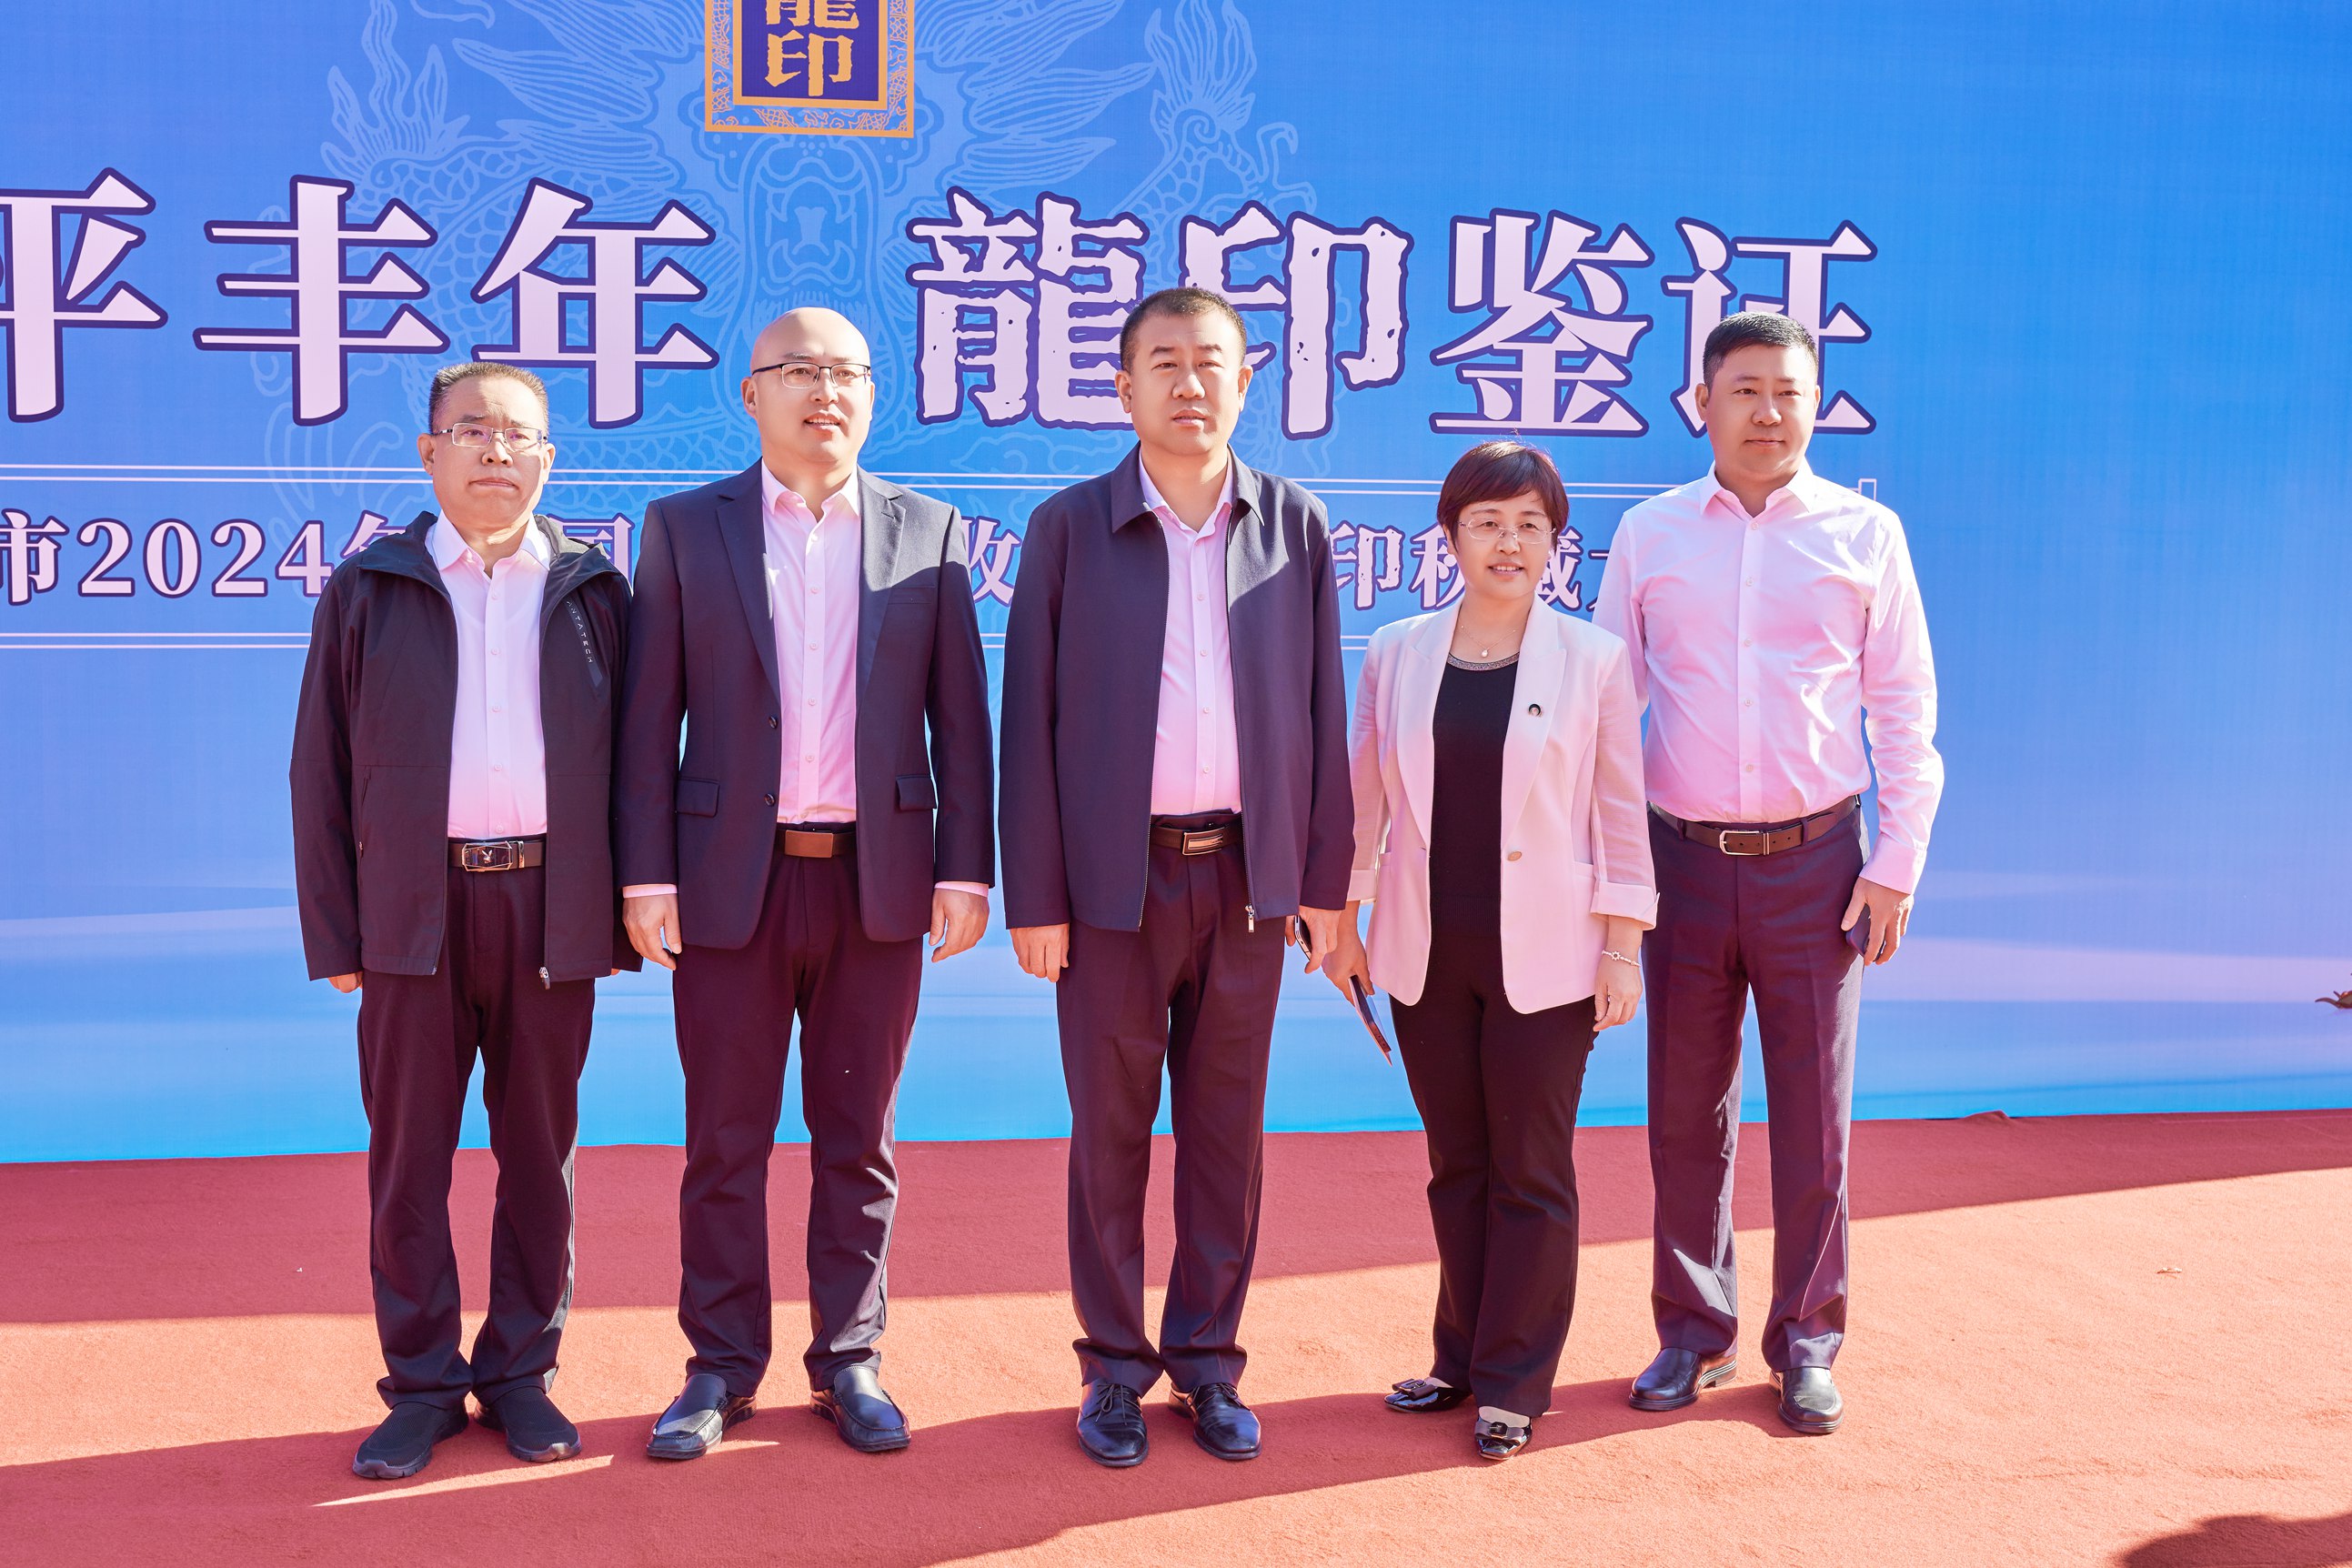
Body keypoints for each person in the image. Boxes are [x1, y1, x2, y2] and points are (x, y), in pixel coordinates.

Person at [616, 308, 993, 1459]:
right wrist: (645, 874)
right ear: (752, 394)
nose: (823, 391)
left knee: (859, 1137)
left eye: (845, 374)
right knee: (723, 1138)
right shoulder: (686, 528)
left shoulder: (928, 530)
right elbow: (648, 717)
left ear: (872, 395)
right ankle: (720, 1365)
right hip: (729, 882)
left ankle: (851, 1356)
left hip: (877, 882)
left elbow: (960, 718)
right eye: (797, 372)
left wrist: (965, 867)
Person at [1000, 286, 1352, 1468]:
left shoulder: (1293, 524)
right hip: (1112, 888)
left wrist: (1319, 881)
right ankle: (1111, 1367)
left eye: (1211, 362)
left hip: (1246, 882)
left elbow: (1321, 709)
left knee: (1224, 1136)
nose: (1189, 384)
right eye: (1164, 362)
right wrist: (1036, 896)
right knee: (1108, 1134)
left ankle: (1207, 1363)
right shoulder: (1068, 527)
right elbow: (1027, 722)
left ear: (1246, 381)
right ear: (1123, 386)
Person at [1595, 312, 1944, 1436]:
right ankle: (1690, 1333)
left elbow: (1904, 709)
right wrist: (1610, 873)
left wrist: (1896, 862)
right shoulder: (1650, 534)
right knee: (1683, 1115)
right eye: (1744, 389)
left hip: (1819, 868)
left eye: (1790, 391)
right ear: (1702, 403)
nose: (1768, 412)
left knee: (1814, 1120)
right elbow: (1608, 712)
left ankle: (1807, 1341)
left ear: (1816, 404)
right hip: (1682, 865)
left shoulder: (1866, 533)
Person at [291, 361, 635, 1480]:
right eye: (473, 429)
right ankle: (425, 1384)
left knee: (540, 1156)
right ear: (429, 451)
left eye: (519, 434)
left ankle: (522, 1372)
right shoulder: (370, 587)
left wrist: (625, 907)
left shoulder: (595, 592)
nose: (497, 450)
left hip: (551, 909)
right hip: (411, 913)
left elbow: (640, 765)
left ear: (550, 458)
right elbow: (319, 767)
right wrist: (338, 932)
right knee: (409, 1160)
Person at [1322, 440, 1653, 1461]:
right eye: (1487, 523)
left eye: (1529, 525)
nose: (1509, 543)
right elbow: (1362, 797)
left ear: (1557, 542)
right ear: (1451, 536)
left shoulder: (1592, 658)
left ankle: (1514, 1383)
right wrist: (1343, 919)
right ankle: (1460, 1358)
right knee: (1456, 1163)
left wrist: (1623, 944)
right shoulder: (1397, 650)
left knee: (1531, 1168)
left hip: (1548, 957)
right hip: (1425, 948)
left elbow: (1620, 812)